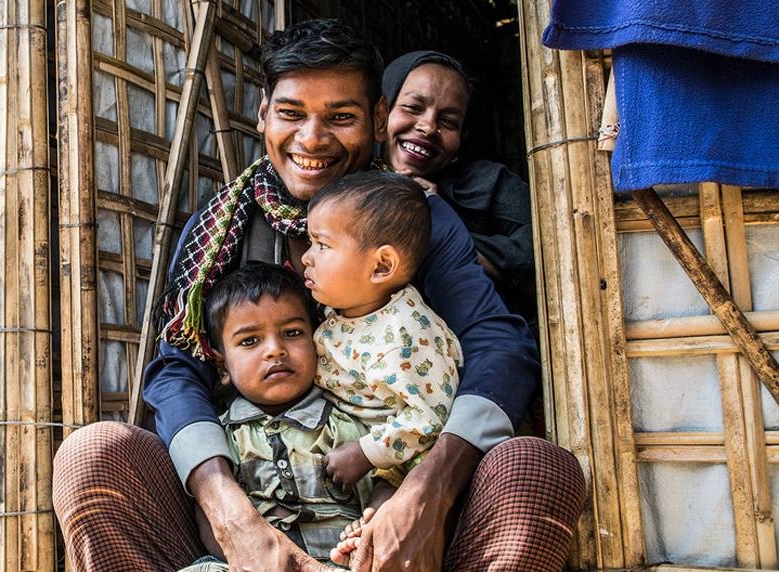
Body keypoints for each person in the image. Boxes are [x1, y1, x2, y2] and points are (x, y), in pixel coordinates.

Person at [52, 19, 585, 572]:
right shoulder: (216, 232)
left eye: (341, 117)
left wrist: (427, 493)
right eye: (291, 113)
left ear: (379, 120)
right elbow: (177, 368)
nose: (311, 138)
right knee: (93, 457)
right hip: (251, 497)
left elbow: (497, 344)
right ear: (263, 115)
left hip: (391, 506)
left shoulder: (410, 220)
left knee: (537, 467)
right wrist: (229, 512)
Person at [178, 263, 393, 571]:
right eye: (250, 341)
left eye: (292, 333)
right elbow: (210, 518)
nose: (275, 350)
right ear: (223, 367)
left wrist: (370, 527)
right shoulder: (221, 439)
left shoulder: (346, 422)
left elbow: (386, 482)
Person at [303, 171, 462, 493]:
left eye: (322, 245)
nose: (307, 257)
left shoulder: (406, 335)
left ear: (381, 266)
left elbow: (430, 416)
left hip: (398, 460)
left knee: (389, 496)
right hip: (344, 440)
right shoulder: (349, 308)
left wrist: (366, 453)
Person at [381, 51, 539, 333]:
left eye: (449, 122)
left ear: (462, 140)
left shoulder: (489, 183)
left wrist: (439, 220)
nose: (428, 127)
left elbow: (541, 258)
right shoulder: (347, 188)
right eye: (413, 108)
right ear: (381, 114)